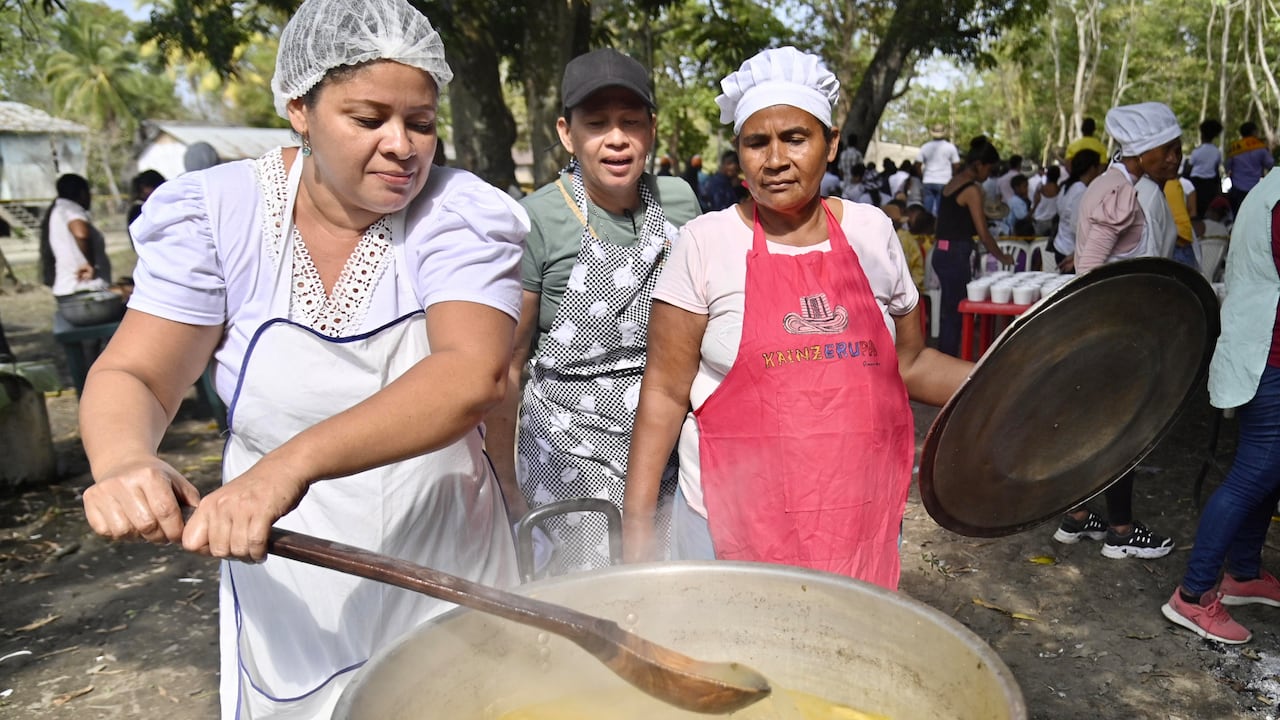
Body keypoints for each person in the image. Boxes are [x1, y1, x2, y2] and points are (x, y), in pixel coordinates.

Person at [77, 0, 527, 716]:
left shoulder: (457, 213)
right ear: (300, 108)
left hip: (444, 552)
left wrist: (284, 469)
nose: (402, 145)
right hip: (291, 566)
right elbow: (138, 373)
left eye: (421, 122)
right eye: (368, 118)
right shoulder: (219, 215)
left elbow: (469, 376)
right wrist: (124, 460)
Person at [621, 47, 973, 590]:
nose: (776, 159)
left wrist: (1001, 382)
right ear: (738, 153)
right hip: (729, 526)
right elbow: (665, 392)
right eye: (756, 143)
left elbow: (909, 361)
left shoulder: (872, 233)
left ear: (830, 143)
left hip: (855, 523)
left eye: (796, 138)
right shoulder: (706, 243)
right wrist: (639, 524)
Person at [484, 48, 700, 576]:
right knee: (590, 599)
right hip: (567, 452)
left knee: (667, 589)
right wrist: (506, 484)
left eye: (631, 122)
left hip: (663, 436)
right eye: (596, 123)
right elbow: (509, 363)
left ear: (652, 128)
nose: (616, 138)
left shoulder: (679, 202)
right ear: (566, 132)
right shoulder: (538, 218)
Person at [1054, 101, 1182, 559]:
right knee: (1121, 429)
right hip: (1115, 328)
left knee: (1092, 424)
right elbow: (1091, 272)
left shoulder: (1109, 184)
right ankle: (1123, 531)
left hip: (1104, 326)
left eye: (1177, 150)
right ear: (1143, 150)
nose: (1175, 159)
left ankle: (1077, 516)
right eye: (1167, 150)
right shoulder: (1127, 193)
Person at [1162, 167, 1280, 644]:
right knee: (1257, 469)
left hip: (1263, 344)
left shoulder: (1269, 186)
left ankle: (1245, 573)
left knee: (1271, 469)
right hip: (1269, 353)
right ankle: (1192, 595)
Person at [930, 139, 1014, 357]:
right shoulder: (972, 190)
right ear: (979, 164)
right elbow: (984, 233)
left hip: (941, 252)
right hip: (955, 255)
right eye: (989, 168)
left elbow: (941, 223)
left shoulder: (952, 183)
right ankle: (946, 364)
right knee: (956, 314)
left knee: (948, 313)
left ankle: (943, 358)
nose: (989, 174)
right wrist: (1003, 257)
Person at [40, 173, 109, 295]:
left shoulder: (59, 210)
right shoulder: (71, 209)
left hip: (72, 288)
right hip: (83, 288)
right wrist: (90, 264)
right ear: (82, 193)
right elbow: (80, 233)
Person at [1051, 149, 1104, 272]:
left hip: (1060, 244)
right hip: (1070, 250)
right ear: (1091, 169)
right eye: (1098, 168)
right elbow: (1076, 225)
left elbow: (1060, 212)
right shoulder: (1081, 190)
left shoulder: (1066, 186)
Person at [1225, 122, 1274, 215]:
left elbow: (1227, 166)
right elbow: (1270, 164)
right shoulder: (1260, 147)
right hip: (1255, 187)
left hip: (1237, 188)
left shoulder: (1235, 147)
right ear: (1254, 132)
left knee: (1237, 216)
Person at [918, 123, 959, 216]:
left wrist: (922, 177)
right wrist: (953, 179)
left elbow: (917, 164)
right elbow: (957, 166)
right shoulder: (950, 147)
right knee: (941, 211)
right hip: (944, 181)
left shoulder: (925, 147)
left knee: (927, 211)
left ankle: (926, 227)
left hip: (928, 180)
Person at [1186, 119, 1224, 218]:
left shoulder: (1197, 151)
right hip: (1210, 185)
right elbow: (1216, 171)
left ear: (1202, 134)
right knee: (1207, 210)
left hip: (1195, 183)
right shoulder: (1216, 152)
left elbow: (1189, 168)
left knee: (1196, 209)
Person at [1031, 165, 1061, 238]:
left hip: (1039, 222)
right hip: (1053, 223)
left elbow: (1034, 204)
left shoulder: (1040, 188)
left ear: (1047, 174)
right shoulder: (1060, 190)